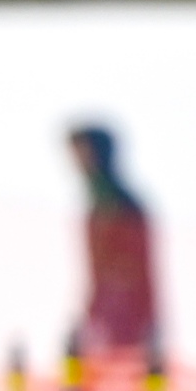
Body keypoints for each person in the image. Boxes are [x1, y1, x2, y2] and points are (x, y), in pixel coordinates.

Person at [67, 124, 159, 361]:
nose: (75, 161)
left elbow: (133, 270)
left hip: (127, 317)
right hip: (103, 315)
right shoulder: (96, 201)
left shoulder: (121, 204)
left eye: (82, 152)